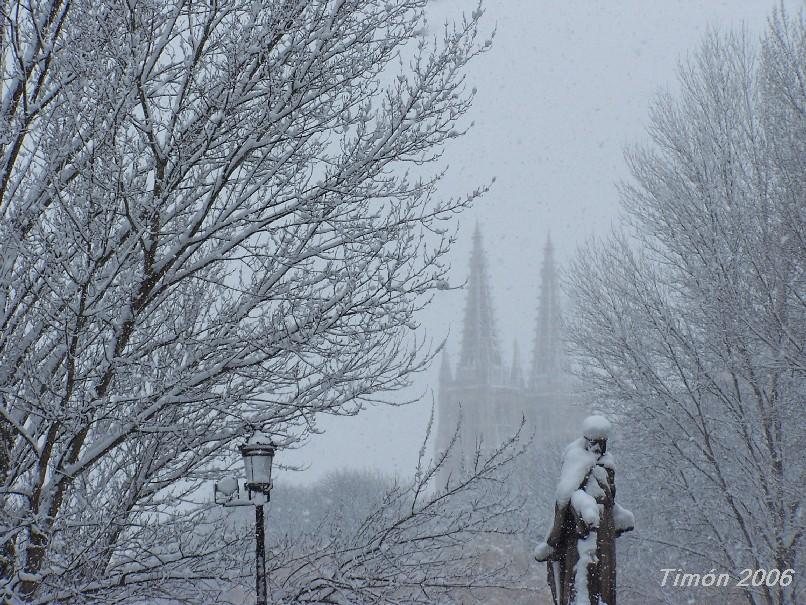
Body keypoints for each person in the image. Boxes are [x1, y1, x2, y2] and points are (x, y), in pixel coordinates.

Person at [534, 415, 634, 605]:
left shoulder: (607, 464)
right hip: (582, 533)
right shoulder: (577, 459)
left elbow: (610, 500)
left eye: (602, 444)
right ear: (587, 441)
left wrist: (620, 518)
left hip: (605, 531)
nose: (598, 448)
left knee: (605, 577)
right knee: (582, 577)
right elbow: (565, 496)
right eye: (595, 443)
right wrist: (585, 510)